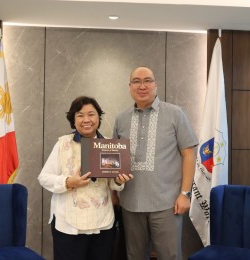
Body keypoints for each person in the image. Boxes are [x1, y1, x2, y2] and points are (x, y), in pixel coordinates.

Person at [113, 66, 198, 260]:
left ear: (155, 85)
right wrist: (113, 194)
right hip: (130, 203)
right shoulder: (121, 119)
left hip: (167, 203)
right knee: (134, 256)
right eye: (136, 81)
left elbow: (189, 154)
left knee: (169, 255)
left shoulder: (176, 114)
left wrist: (185, 194)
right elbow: (114, 160)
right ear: (129, 87)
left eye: (147, 81)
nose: (142, 86)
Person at [38, 96, 133, 260]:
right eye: (80, 115)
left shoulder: (110, 145)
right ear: (73, 120)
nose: (86, 119)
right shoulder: (63, 144)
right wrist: (68, 182)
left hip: (102, 221)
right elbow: (44, 178)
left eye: (91, 114)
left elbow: (113, 183)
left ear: (99, 117)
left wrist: (119, 181)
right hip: (68, 224)